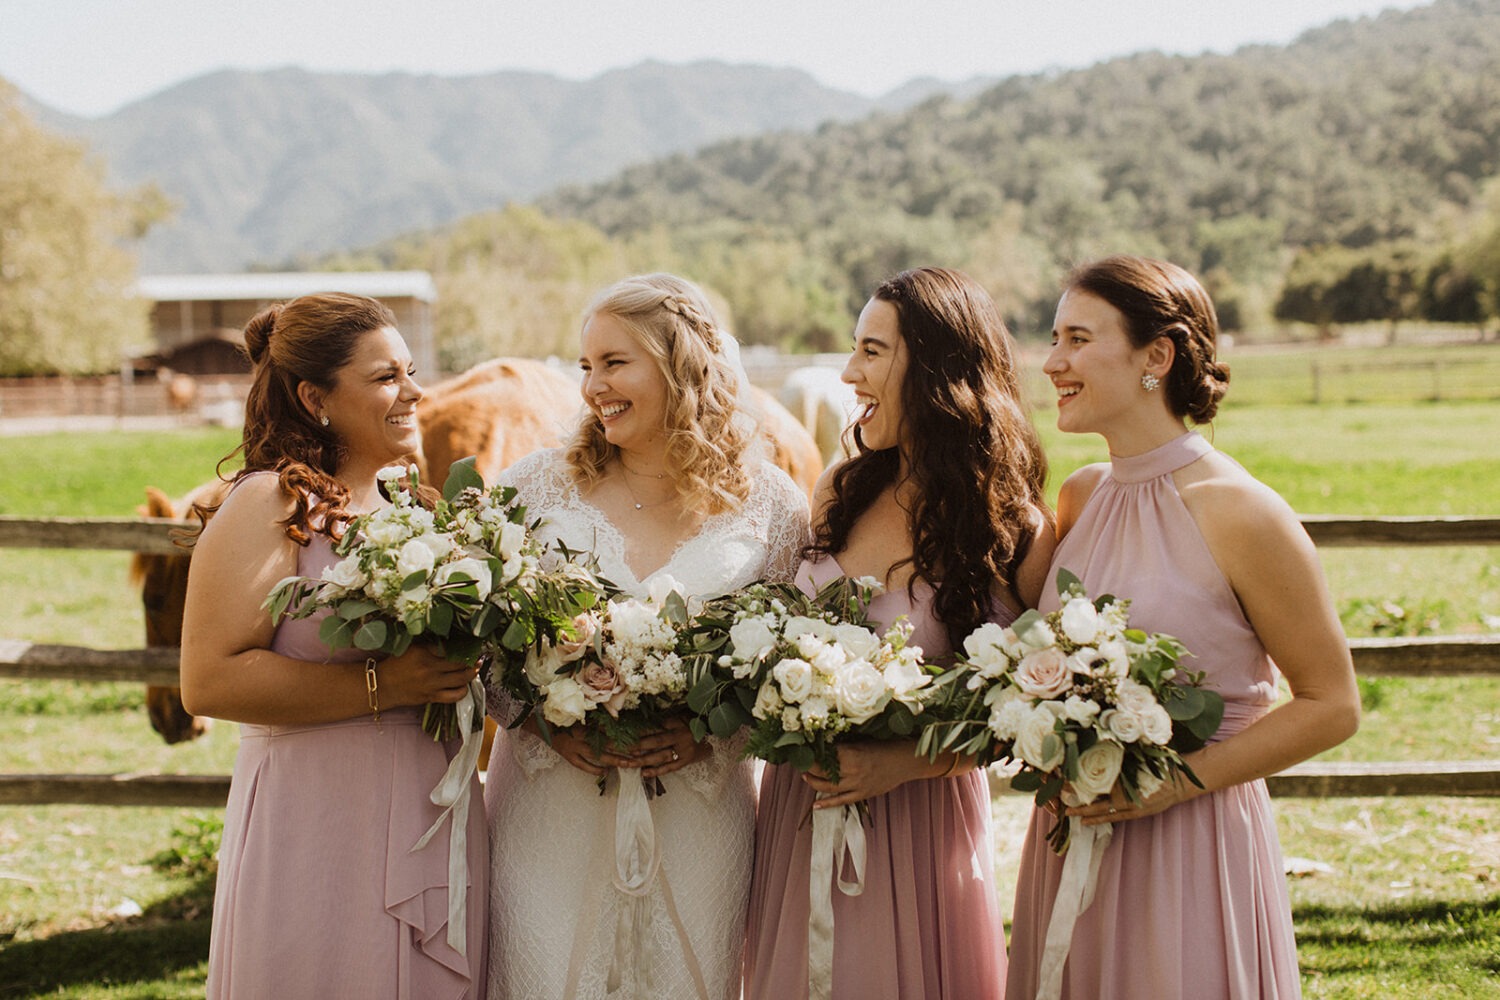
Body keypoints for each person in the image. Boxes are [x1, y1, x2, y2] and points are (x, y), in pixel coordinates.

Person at [1005, 255, 1361, 999]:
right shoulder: (1080, 496)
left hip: (1188, 841)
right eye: (1053, 338)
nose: (1052, 362)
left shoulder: (1241, 510)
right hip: (1072, 835)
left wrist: (1172, 784)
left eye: (1076, 339)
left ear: (1155, 357)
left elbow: (1333, 705)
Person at [482, 273, 811, 999]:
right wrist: (539, 718)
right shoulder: (533, 489)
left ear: (679, 365)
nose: (593, 386)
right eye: (585, 367)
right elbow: (481, 649)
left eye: (614, 363)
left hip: (699, 808)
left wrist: (712, 731)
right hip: (550, 806)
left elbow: (791, 666)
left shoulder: (775, 507)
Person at [745, 266, 1056, 1000]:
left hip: (921, 829)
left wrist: (908, 764)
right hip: (801, 812)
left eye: (873, 351)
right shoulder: (840, 489)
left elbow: (1030, 711)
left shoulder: (1013, 527)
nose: (850, 373)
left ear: (939, 366)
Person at [180, 293, 489, 1000]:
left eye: (411, 372)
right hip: (317, 826)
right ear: (314, 396)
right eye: (386, 378)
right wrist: (391, 687)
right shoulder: (270, 506)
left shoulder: (417, 509)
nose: (415, 393)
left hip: (430, 807)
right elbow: (208, 681)